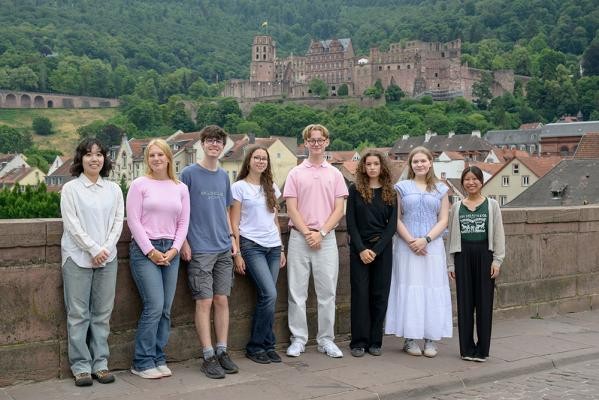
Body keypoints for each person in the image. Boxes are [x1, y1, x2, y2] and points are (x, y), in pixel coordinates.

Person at [60, 138, 124, 386]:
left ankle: (101, 364)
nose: (94, 159)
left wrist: (105, 249)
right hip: (77, 258)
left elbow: (118, 222)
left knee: (102, 314)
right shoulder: (71, 189)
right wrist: (93, 248)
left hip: (108, 259)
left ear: (105, 159)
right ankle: (81, 366)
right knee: (78, 314)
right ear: (81, 159)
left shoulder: (114, 189)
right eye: (89, 154)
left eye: (99, 154)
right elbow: (72, 225)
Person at [283, 124, 348, 358]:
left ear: (327, 142)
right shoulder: (295, 173)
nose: (317, 143)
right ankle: (298, 339)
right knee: (296, 291)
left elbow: (339, 209)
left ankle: (326, 340)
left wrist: (320, 233)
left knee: (327, 292)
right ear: (306, 143)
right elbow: (291, 208)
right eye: (312, 140)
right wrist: (308, 233)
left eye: (320, 140)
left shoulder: (335, 174)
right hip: (300, 237)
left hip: (326, 238)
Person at [126, 139, 190, 379]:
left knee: (165, 308)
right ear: (147, 160)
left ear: (168, 158)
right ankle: (141, 361)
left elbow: (183, 222)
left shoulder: (180, 187)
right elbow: (133, 221)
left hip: (170, 250)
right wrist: (150, 251)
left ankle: (157, 356)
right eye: (152, 155)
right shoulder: (139, 184)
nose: (156, 159)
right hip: (145, 250)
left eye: (160, 155)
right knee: (153, 305)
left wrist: (174, 250)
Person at [180, 125, 239, 379]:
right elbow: (180, 211)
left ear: (223, 146)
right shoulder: (188, 173)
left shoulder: (224, 176)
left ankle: (222, 350)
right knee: (203, 301)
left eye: (219, 141)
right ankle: (207, 355)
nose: (214, 145)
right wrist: (183, 242)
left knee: (222, 300)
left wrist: (232, 239)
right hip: (200, 247)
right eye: (210, 141)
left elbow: (225, 210)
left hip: (223, 247)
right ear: (202, 144)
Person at [385, 146, 452, 358]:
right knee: (410, 288)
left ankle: (431, 338)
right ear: (411, 164)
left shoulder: (440, 189)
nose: (420, 164)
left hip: (432, 246)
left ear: (431, 163)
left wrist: (426, 239)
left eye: (423, 161)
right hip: (407, 246)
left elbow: (443, 219)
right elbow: (396, 217)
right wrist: (412, 241)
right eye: (416, 161)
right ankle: (410, 338)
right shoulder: (401, 187)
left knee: (431, 288)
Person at [230, 145, 286, 364]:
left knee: (267, 297)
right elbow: (233, 222)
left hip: (273, 247)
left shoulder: (270, 186)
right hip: (251, 245)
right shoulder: (239, 187)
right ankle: (255, 346)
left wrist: (281, 247)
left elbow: (275, 219)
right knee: (270, 294)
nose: (261, 161)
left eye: (264, 158)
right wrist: (237, 253)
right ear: (249, 161)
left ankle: (267, 344)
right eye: (257, 158)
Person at [447, 166, 505, 362]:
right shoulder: (456, 208)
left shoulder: (492, 205)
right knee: (464, 303)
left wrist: (497, 260)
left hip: (484, 255)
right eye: (467, 179)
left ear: (481, 182)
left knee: (484, 303)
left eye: (475, 179)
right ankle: (466, 349)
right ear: (462, 183)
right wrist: (451, 265)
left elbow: (498, 234)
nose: (471, 183)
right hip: (463, 255)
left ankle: (482, 350)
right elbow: (451, 239)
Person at [346, 150, 397, 357]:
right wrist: (361, 249)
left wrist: (375, 251)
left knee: (379, 296)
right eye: (368, 164)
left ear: (382, 166)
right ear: (363, 167)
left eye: (376, 164)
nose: (372, 167)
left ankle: (375, 341)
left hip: (382, 251)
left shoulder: (390, 192)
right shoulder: (355, 190)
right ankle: (358, 342)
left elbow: (391, 226)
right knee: (360, 295)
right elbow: (351, 223)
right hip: (359, 250)